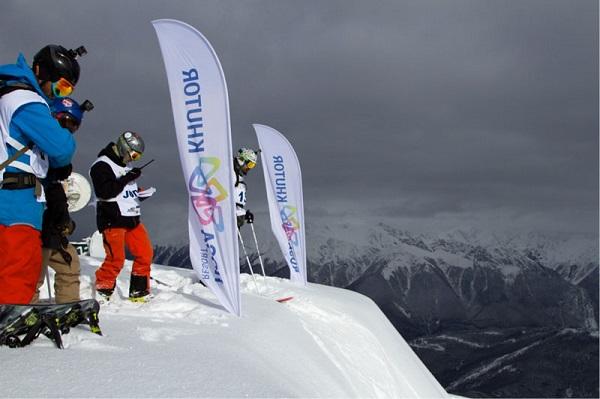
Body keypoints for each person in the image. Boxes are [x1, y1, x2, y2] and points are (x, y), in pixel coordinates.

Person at [0, 44, 85, 304]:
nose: (57, 94)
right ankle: (10, 328)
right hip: (16, 200)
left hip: (12, 195)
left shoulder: (7, 94)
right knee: (20, 268)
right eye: (60, 87)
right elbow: (62, 146)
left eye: (67, 90)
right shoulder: (25, 99)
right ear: (41, 72)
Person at [32, 97, 94, 304]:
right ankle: (22, 313)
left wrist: (63, 221)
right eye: (62, 121)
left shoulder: (56, 159)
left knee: (69, 265)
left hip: (52, 227)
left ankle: (67, 308)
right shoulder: (34, 149)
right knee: (32, 275)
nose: (67, 128)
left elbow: (55, 195)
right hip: (33, 225)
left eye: (73, 124)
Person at [90, 131, 155, 302]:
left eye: (138, 157)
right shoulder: (101, 165)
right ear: (124, 147)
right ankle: (103, 290)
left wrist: (138, 192)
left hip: (132, 218)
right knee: (116, 258)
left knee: (145, 253)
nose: (134, 159)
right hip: (113, 218)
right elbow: (105, 192)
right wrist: (127, 178)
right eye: (133, 154)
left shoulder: (125, 165)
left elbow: (123, 190)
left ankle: (139, 292)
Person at [233, 148, 258, 229]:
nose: (249, 168)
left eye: (252, 165)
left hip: (236, 222)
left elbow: (238, 203)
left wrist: (245, 215)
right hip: (229, 223)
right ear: (243, 161)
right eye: (250, 164)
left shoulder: (238, 177)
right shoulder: (232, 175)